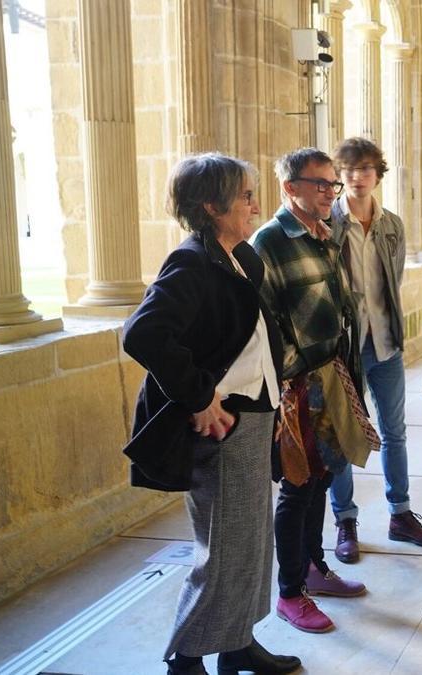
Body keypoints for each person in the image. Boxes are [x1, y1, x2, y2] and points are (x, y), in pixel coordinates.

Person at [122, 153, 300, 675]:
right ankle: (187, 658)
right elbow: (144, 332)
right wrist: (200, 397)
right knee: (222, 547)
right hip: (224, 423)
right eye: (245, 195)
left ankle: (237, 642)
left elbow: (243, 335)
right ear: (211, 205)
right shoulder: (193, 259)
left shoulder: (240, 254)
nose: (256, 205)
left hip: (254, 414)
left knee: (249, 541)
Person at [253, 148, 375, 634]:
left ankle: (313, 566)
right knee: (297, 486)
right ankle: (288, 592)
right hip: (297, 385)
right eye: (320, 184)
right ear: (291, 188)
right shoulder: (270, 241)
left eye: (333, 185)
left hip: (331, 373)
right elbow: (265, 322)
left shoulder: (324, 236)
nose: (330, 192)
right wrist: (292, 377)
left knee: (323, 476)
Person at [328, 137, 422, 560]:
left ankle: (401, 514)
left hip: (386, 344)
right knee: (343, 437)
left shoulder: (392, 225)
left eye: (367, 169)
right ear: (340, 176)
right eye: (350, 169)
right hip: (346, 350)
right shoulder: (329, 224)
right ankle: (345, 521)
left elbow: (389, 287)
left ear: (379, 174)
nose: (359, 177)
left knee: (395, 433)